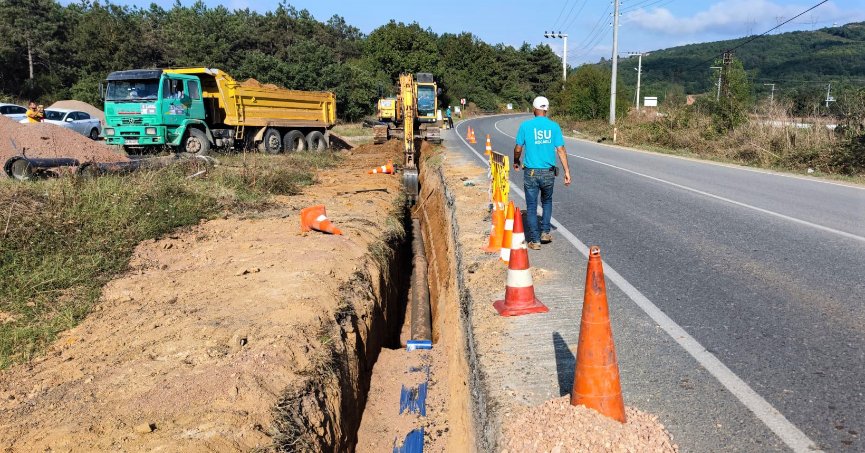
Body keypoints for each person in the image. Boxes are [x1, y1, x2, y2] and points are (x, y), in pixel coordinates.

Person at [513, 96, 571, 250]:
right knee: (547, 202)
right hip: (548, 173)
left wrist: (516, 161)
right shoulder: (554, 127)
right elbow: (561, 150)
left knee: (531, 206)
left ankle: (535, 240)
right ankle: (545, 231)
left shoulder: (525, 126)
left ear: (534, 109)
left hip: (531, 172)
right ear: (547, 109)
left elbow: (518, 148)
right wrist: (566, 171)